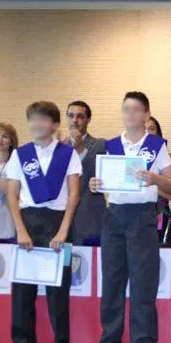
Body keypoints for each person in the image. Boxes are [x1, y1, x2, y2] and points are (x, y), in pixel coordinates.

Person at [89, 92, 171, 343]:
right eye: (125, 109)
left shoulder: (157, 146)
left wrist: (155, 178)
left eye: (136, 110)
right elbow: (101, 184)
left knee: (143, 284)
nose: (130, 114)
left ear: (146, 114)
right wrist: (95, 185)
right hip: (114, 216)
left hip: (142, 218)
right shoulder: (110, 145)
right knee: (112, 282)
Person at [5, 101, 81, 343]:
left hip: (59, 223)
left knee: (59, 291)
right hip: (28, 221)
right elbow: (11, 196)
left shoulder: (67, 154)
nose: (37, 124)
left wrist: (63, 229)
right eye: (33, 119)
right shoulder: (20, 155)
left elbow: (74, 195)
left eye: (43, 120)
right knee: (23, 291)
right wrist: (20, 229)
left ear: (55, 124)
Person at [64, 101, 107, 246]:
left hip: (88, 218)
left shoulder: (99, 145)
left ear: (88, 119)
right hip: (60, 220)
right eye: (71, 116)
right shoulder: (58, 147)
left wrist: (81, 150)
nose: (74, 120)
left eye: (80, 116)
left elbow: (99, 177)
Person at [146, 116, 171, 245]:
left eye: (151, 129)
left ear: (158, 133)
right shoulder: (131, 158)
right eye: (143, 129)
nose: (147, 132)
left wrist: (151, 183)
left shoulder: (165, 160)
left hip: (159, 211)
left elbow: (170, 194)